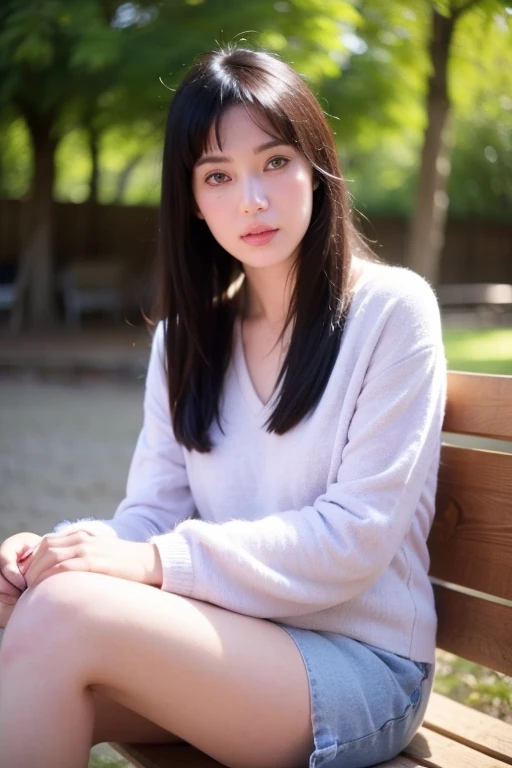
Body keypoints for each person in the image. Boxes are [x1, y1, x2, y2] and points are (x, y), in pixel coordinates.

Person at [0, 46, 446, 768]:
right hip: (233, 640)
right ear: (193, 199)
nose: (252, 200)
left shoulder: (392, 313)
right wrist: (58, 552)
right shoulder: (185, 339)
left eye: (274, 162)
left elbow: (355, 538)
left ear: (317, 166)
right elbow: (152, 514)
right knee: (33, 634)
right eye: (218, 175)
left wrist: (146, 561)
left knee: (60, 619)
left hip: (362, 667)